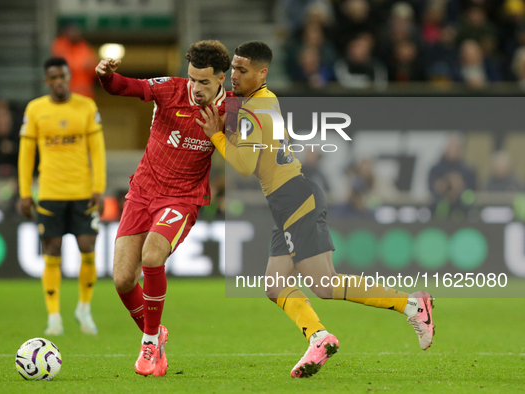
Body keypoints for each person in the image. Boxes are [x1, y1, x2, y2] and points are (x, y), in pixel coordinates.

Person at [198, 41, 435, 379]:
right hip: (289, 199)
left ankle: (411, 305)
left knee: (323, 284)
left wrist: (215, 136)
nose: (233, 75)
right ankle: (320, 337)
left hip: (294, 198)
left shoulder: (256, 107)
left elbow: (245, 165)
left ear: (262, 73)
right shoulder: (257, 102)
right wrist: (229, 111)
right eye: (233, 68)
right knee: (275, 285)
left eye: (242, 70)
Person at [95, 40, 231, 377]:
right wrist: (105, 77)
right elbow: (126, 86)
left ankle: (150, 341)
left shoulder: (234, 111)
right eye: (192, 79)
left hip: (182, 198)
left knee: (152, 256)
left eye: (204, 82)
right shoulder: (171, 89)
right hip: (143, 191)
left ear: (221, 79)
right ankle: (156, 333)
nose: (195, 88)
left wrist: (218, 136)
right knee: (124, 279)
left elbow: (244, 160)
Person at [18, 57, 106, 336]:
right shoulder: (35, 109)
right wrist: (24, 192)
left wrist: (99, 188)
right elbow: (26, 154)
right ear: (47, 80)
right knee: (52, 251)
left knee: (88, 246)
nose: (59, 82)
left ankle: (84, 307)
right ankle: (54, 315)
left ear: (69, 77)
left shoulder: (86, 106)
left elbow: (98, 151)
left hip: (82, 192)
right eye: (53, 77)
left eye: (63, 77)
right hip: (50, 192)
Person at [51, 23, 98, 99]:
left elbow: (94, 68)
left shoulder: (84, 46)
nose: (74, 34)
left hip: (84, 91)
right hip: (65, 91)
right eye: (71, 31)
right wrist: (81, 65)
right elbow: (64, 64)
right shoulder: (60, 45)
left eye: (76, 31)